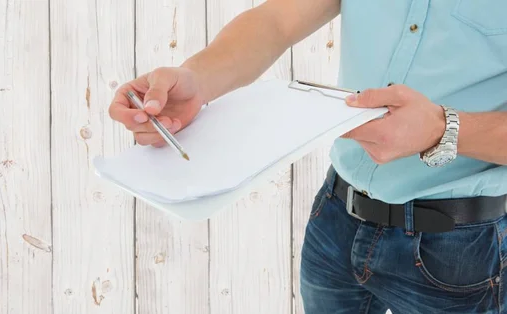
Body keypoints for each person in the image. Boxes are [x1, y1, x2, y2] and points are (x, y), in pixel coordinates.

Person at [109, 0, 507, 312]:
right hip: (336, 217)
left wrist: (442, 128)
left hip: (459, 246)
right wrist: (198, 79)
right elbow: (278, 19)